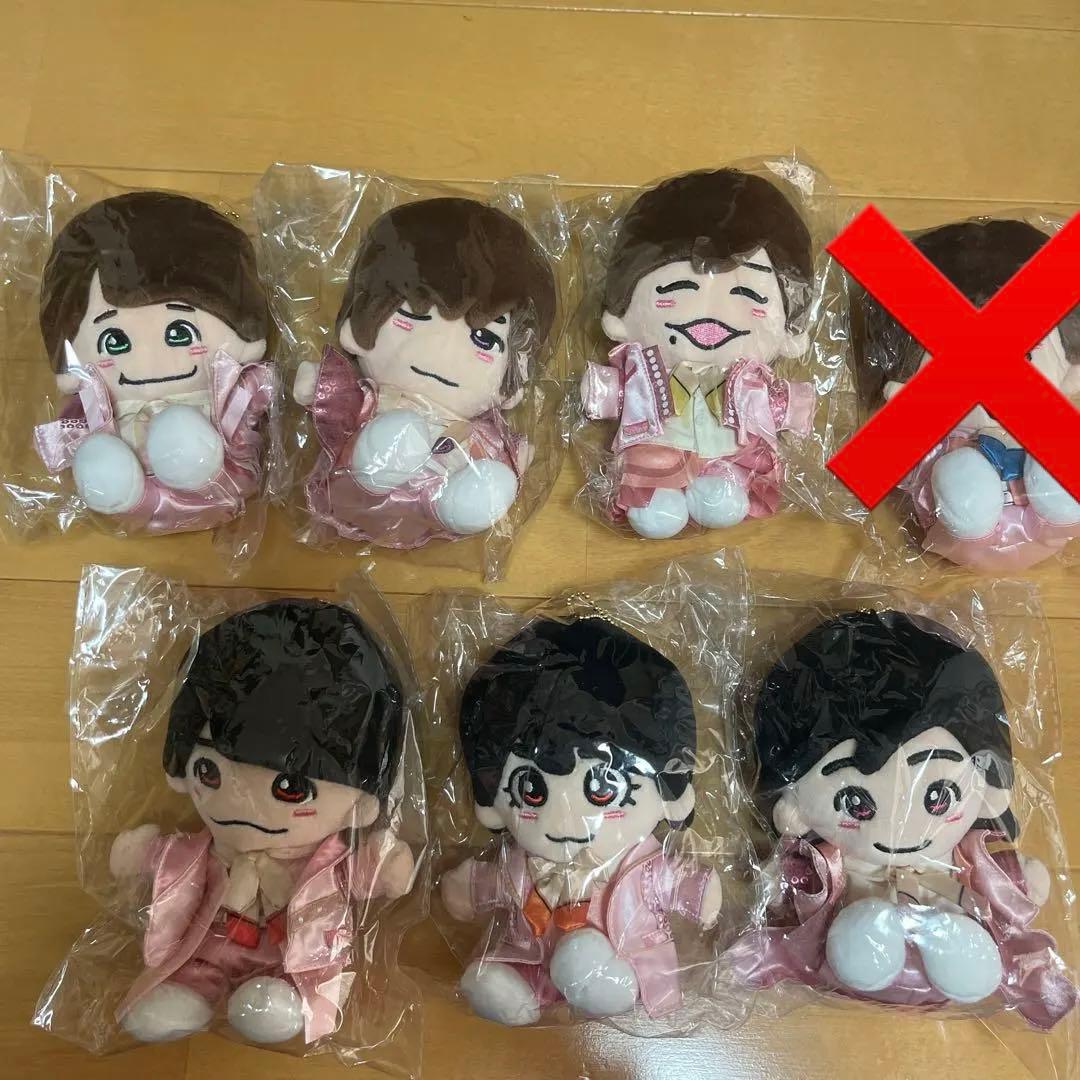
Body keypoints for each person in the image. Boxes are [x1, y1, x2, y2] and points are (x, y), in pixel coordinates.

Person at [111, 598, 414, 1045]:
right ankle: (188, 991)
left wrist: (381, 865)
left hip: (287, 959)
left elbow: (360, 874)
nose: (244, 805)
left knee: (278, 994)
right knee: (192, 972)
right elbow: (176, 861)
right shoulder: (209, 852)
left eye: (291, 788)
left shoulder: (323, 863)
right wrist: (145, 853)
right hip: (206, 948)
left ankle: (278, 999)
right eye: (209, 773)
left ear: (363, 798)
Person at [440, 617, 723, 1025]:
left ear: (669, 794)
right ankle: (516, 989)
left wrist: (700, 892)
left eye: (603, 789)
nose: (566, 820)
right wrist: (467, 888)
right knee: (505, 974)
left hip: (623, 963)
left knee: (588, 962)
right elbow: (493, 883)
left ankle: (602, 983)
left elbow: (673, 880)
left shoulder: (640, 867)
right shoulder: (523, 865)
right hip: (534, 958)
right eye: (532, 791)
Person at [580, 169, 815, 538]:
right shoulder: (644, 375)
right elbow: (610, 393)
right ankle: (657, 494)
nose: (712, 312)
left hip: (730, 461)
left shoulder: (752, 384)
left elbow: (786, 406)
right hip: (655, 457)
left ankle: (716, 490)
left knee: (722, 500)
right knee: (655, 510)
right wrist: (600, 391)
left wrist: (795, 407)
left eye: (748, 294)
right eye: (678, 287)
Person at [33, 191, 274, 532]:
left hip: (225, 480)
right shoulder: (94, 398)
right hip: (132, 500)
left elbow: (259, 392)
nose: (146, 354)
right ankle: (118, 489)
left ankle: (189, 467)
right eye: (114, 341)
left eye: (180, 333)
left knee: (184, 435)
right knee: (102, 460)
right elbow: (68, 429)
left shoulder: (228, 383)